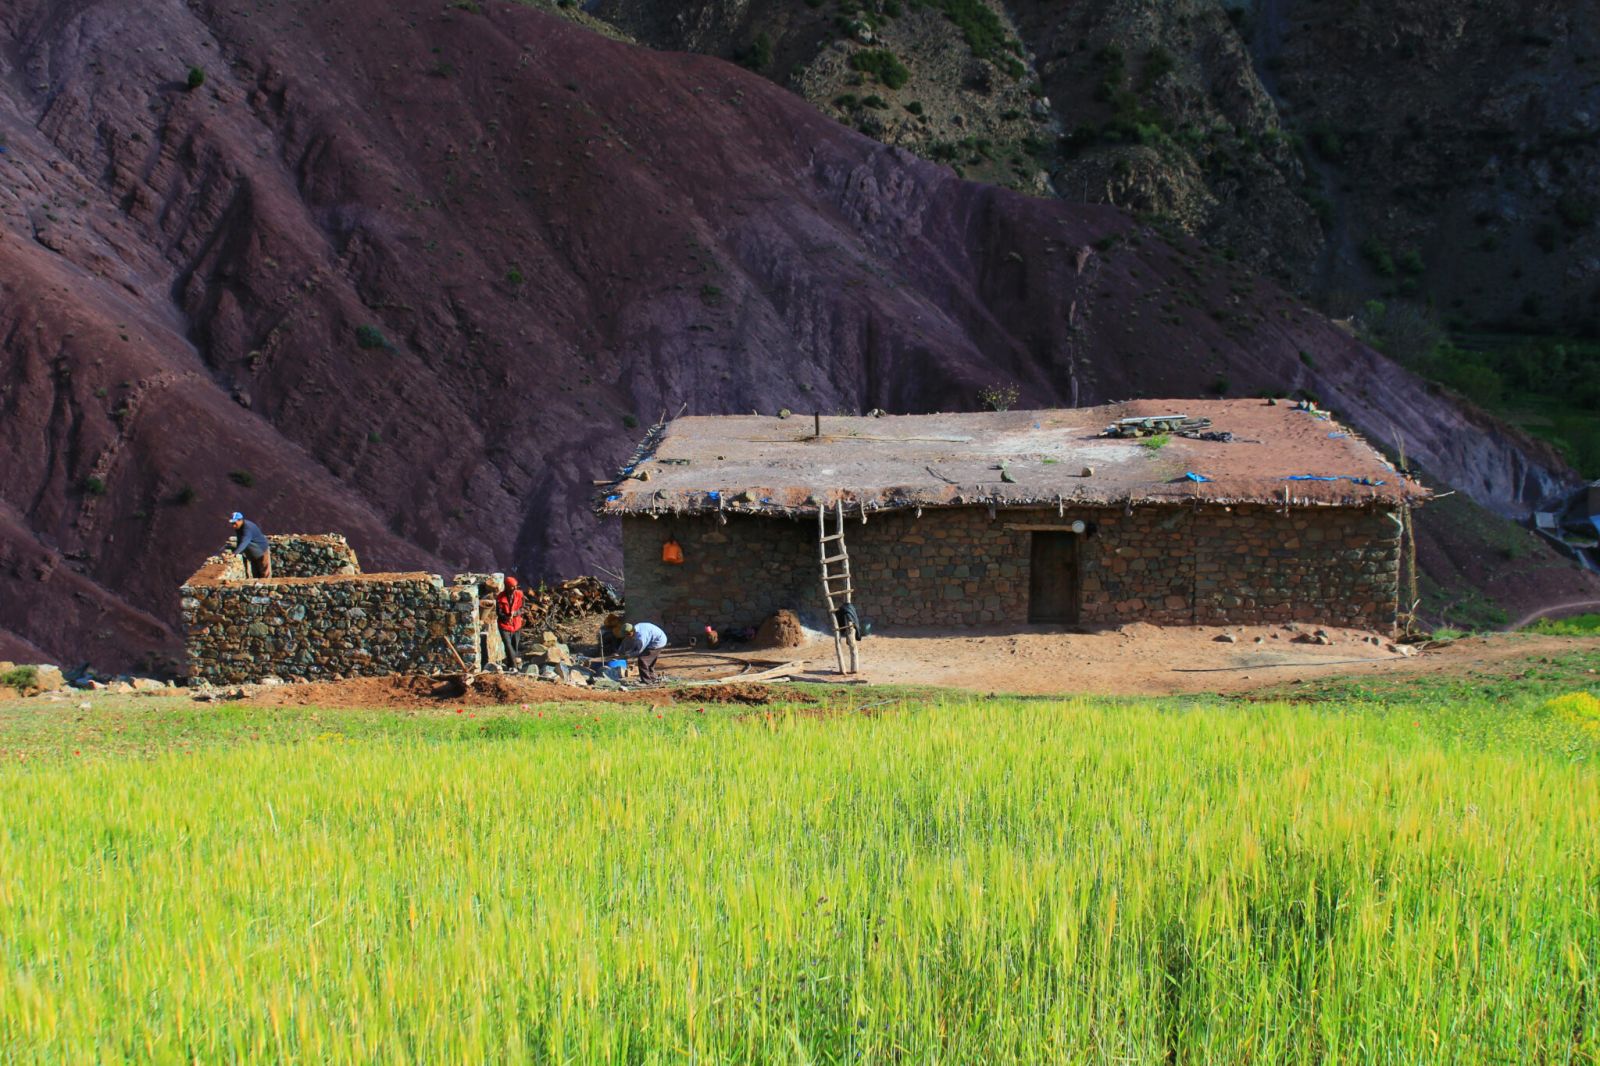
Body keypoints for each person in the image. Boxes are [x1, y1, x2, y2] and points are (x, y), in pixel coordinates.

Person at [227, 512, 271, 578]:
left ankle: (266, 586)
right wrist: (238, 551)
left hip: (261, 551)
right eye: (232, 523)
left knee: (265, 573)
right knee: (256, 574)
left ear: (240, 520)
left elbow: (245, 541)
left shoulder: (247, 527)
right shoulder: (239, 528)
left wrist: (235, 553)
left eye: (235, 523)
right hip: (253, 555)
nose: (233, 525)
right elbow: (240, 540)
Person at [496, 577, 526, 670]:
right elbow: (499, 612)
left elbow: (523, 608)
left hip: (516, 624)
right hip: (504, 625)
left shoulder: (519, 594)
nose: (514, 589)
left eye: (515, 586)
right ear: (507, 587)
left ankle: (511, 664)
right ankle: (513, 667)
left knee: (514, 646)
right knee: (508, 646)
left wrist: (516, 613)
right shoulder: (500, 597)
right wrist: (506, 617)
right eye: (512, 587)